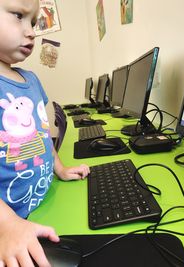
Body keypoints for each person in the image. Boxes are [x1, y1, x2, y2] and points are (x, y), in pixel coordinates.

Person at [0, 0, 90, 266]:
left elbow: (42, 135)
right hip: (9, 227)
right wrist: (7, 224)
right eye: (18, 16)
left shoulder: (31, 79)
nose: (31, 32)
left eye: (33, 22)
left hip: (44, 205)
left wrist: (59, 169)